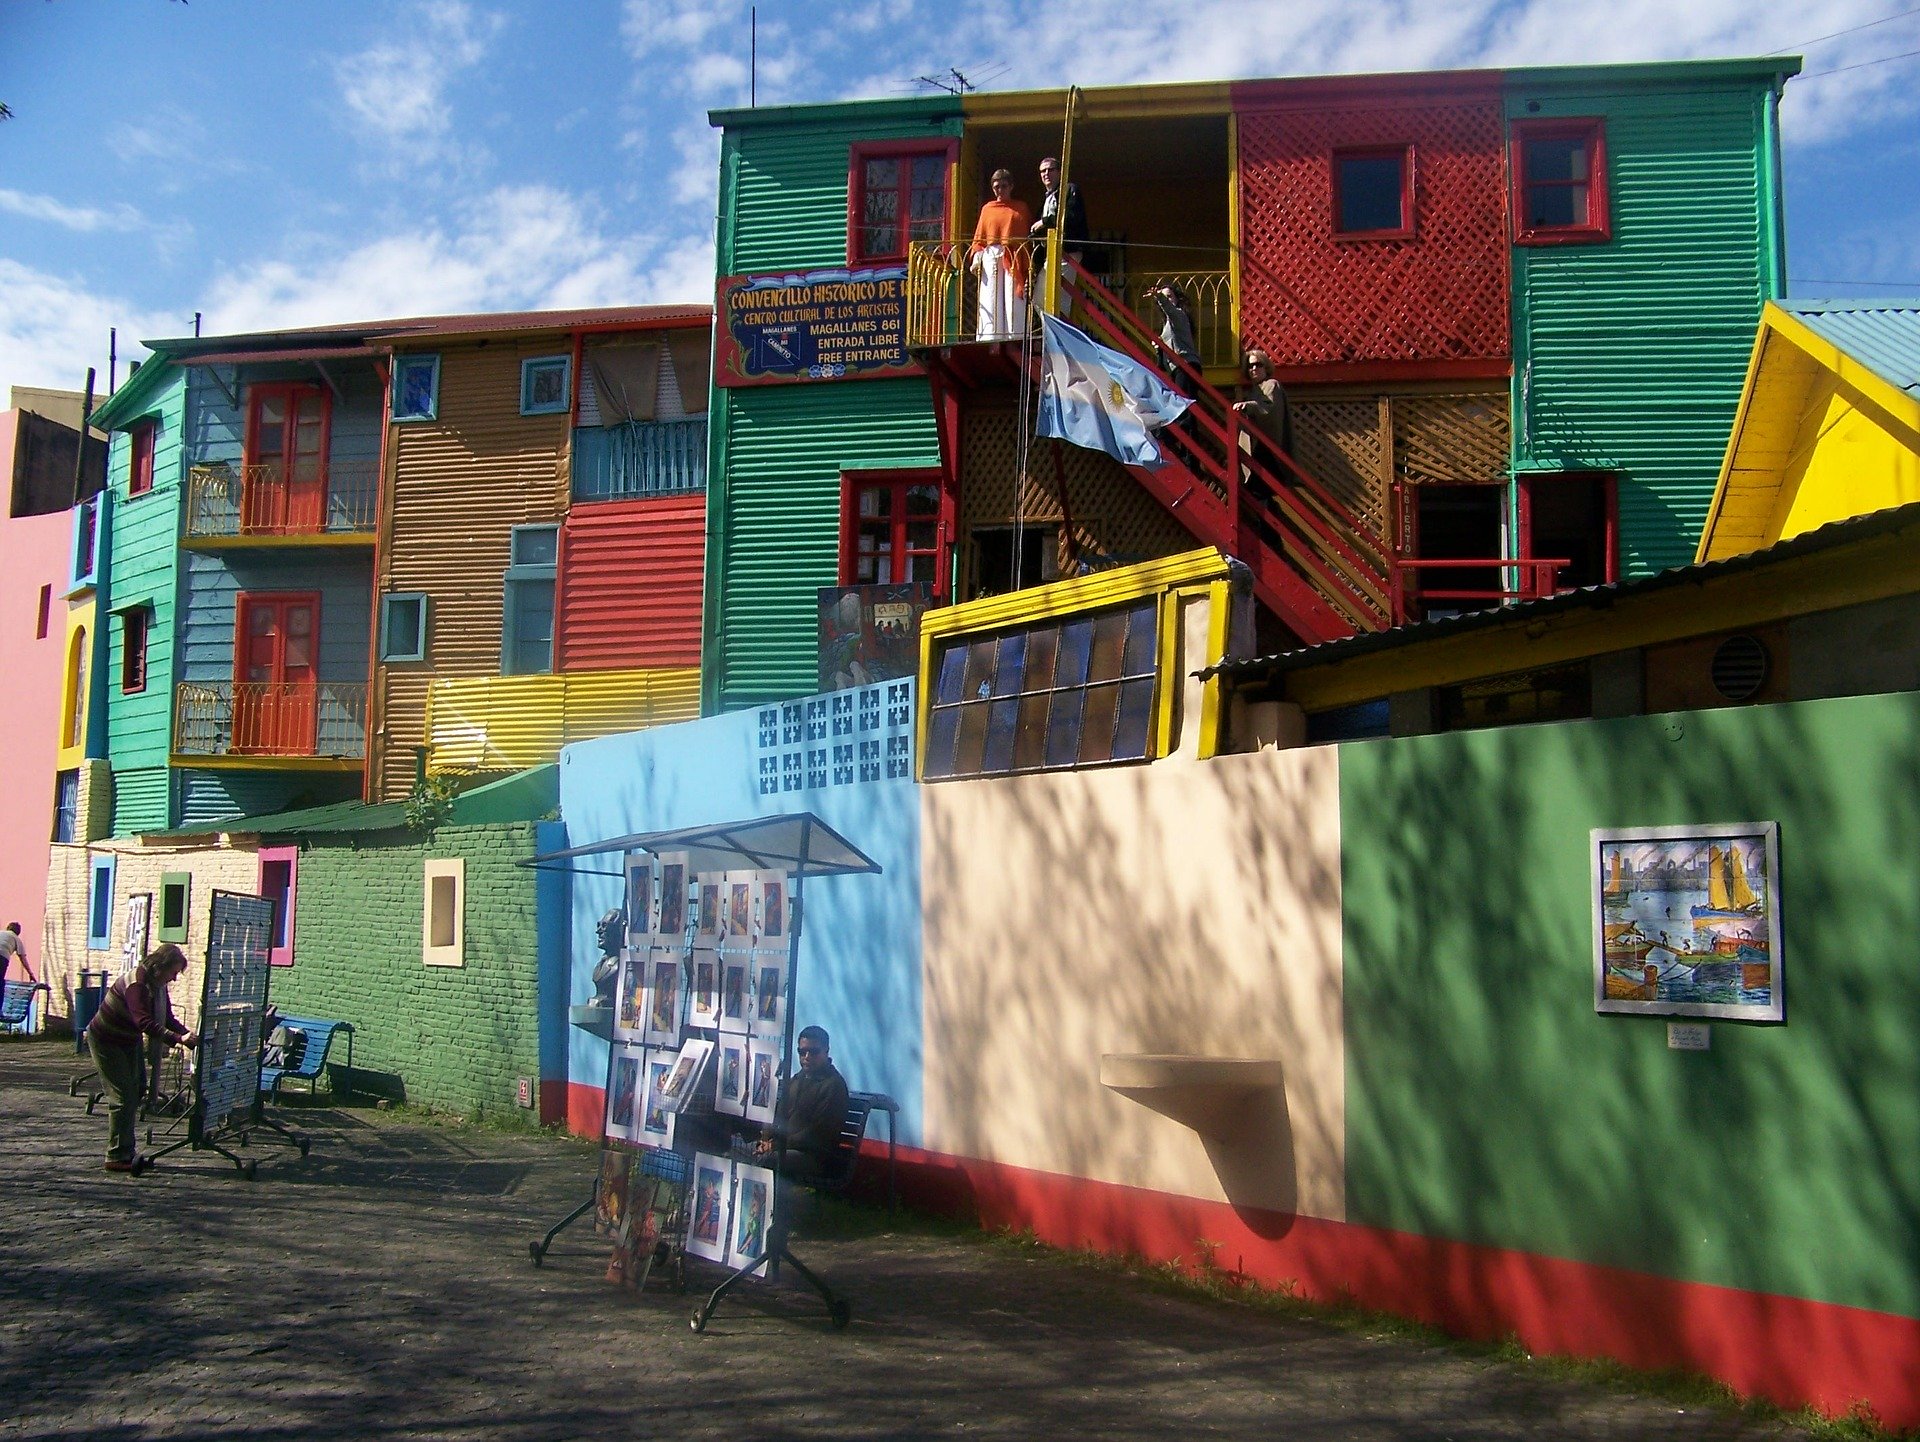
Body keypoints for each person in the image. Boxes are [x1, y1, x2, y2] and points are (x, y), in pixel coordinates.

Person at [86, 943, 196, 1171]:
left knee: (136, 1091)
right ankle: (116, 1156)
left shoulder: (157, 985)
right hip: (106, 1039)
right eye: (172, 973)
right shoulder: (137, 984)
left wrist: (185, 1034)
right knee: (122, 1095)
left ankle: (127, 1149)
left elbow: (165, 1017)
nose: (174, 979)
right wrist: (176, 1039)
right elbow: (144, 1022)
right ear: (160, 967)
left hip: (127, 1039)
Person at [755, 1024, 849, 1185]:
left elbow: (817, 1135)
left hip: (815, 1157)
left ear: (826, 1051)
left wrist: (776, 1145)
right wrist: (766, 1139)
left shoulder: (833, 1085)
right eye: (801, 1052)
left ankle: (777, 1207)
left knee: (769, 1160)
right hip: (785, 1148)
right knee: (741, 1149)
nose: (806, 1056)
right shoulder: (797, 1080)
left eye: (813, 1052)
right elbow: (777, 1114)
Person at [969, 168, 1034, 341]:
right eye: (996, 186)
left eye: (1004, 186)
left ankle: (1016, 338)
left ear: (1011, 186)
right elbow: (978, 239)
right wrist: (978, 256)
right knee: (991, 297)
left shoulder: (1021, 208)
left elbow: (1027, 238)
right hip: (991, 256)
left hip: (1014, 257)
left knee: (1013, 301)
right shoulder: (987, 209)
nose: (1000, 190)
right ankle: (989, 338)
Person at [1028, 156, 1089, 314]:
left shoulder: (1069, 190)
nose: (1046, 173)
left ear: (1060, 172)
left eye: (1050, 170)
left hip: (1067, 252)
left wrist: (1045, 221)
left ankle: (1059, 336)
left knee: (1059, 299)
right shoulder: (1046, 199)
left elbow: (1071, 216)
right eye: (1043, 171)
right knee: (1039, 299)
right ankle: (1050, 335)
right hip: (1051, 255)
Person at [1233, 348, 1294, 500]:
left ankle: (1268, 523)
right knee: (1257, 494)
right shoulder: (1254, 390)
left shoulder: (1272, 385)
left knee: (1261, 493)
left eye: (1258, 364)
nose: (1254, 369)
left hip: (1267, 450)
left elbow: (1269, 409)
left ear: (1265, 366)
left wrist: (1248, 406)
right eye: (1250, 366)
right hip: (1257, 451)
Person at [1149, 282, 1202, 376]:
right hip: (1176, 368)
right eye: (1164, 297)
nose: (1167, 300)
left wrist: (1159, 296)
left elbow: (1170, 310)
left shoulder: (1179, 314)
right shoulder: (1166, 325)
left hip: (1185, 366)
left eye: (1169, 296)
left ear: (1177, 299)